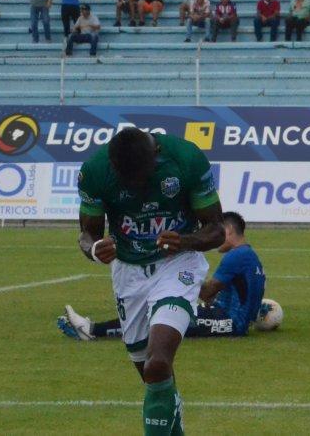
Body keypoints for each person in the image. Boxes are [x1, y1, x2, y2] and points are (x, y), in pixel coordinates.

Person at [76, 127, 225, 435]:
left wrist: (185, 241)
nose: (134, 185)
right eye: (125, 179)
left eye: (140, 178)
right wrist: (93, 248)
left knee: (158, 363)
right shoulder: (94, 171)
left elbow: (217, 230)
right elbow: (86, 232)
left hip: (177, 265)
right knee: (151, 376)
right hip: (128, 272)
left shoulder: (186, 159)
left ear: (155, 156)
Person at [59, 211, 267, 341]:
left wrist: (178, 279)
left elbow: (206, 292)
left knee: (157, 320)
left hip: (229, 323)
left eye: (219, 233)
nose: (215, 239)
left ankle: (92, 330)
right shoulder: (250, 255)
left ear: (228, 230)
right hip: (228, 318)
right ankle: (93, 329)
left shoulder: (236, 256)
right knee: (160, 314)